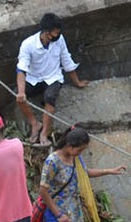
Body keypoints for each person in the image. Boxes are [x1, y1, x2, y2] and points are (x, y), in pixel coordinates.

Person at [14, 12, 87, 145]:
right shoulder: (28, 44)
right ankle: (35, 124)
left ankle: (44, 133)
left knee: (49, 97)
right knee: (19, 97)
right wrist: (21, 92)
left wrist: (77, 82)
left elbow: (66, 60)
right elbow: (21, 69)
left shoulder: (59, 40)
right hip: (34, 78)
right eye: (53, 33)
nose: (55, 36)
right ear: (46, 31)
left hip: (53, 77)